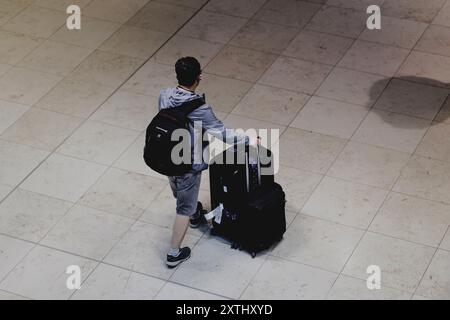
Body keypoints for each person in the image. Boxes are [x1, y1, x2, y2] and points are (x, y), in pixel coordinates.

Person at [159, 57, 251, 268]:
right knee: (184, 205)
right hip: (187, 161)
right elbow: (221, 132)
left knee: (179, 191)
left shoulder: (164, 95)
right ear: (199, 77)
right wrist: (248, 139)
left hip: (167, 155)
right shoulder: (199, 107)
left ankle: (195, 213)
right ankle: (174, 253)